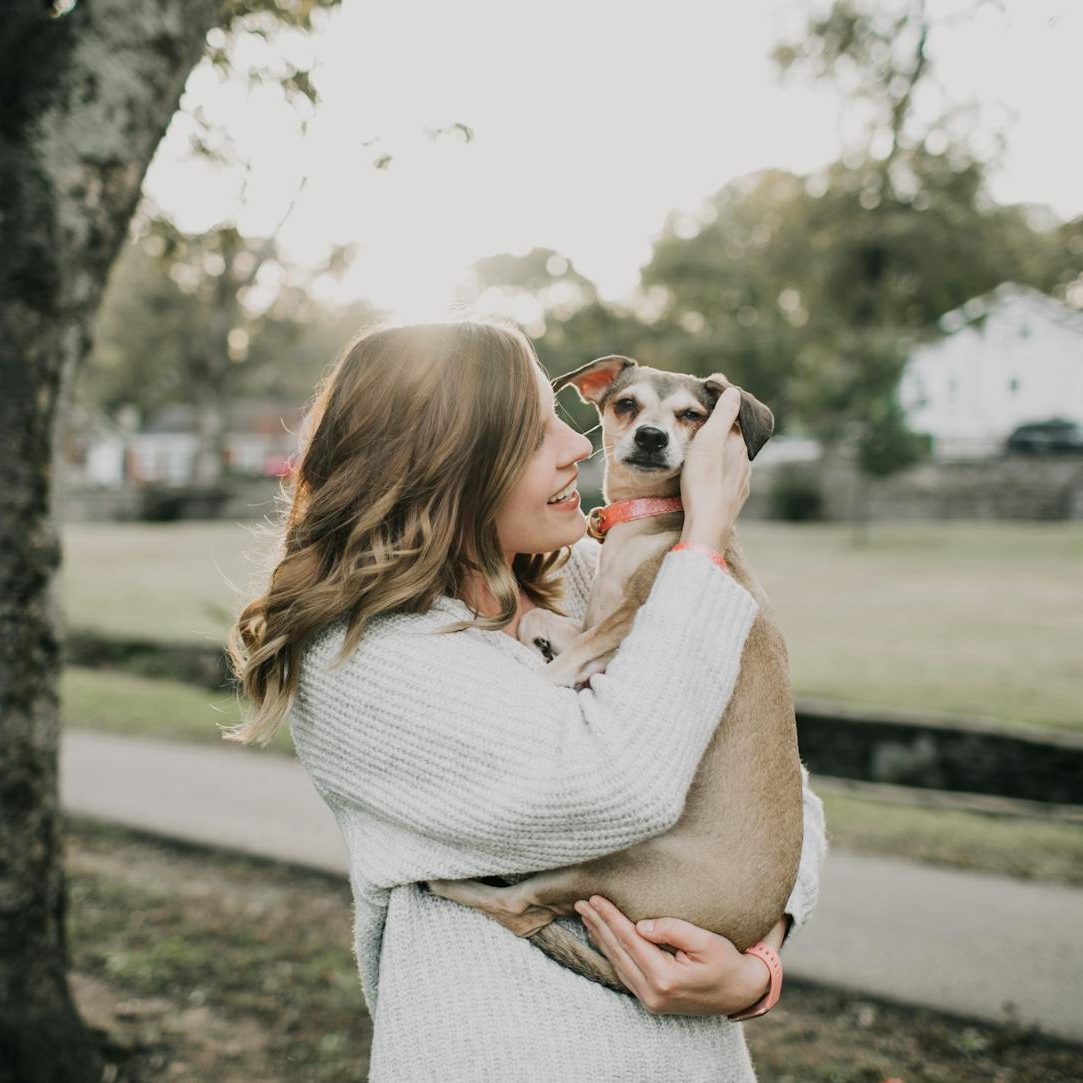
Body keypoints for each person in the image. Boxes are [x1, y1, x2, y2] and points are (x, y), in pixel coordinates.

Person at [225, 320, 827, 1082]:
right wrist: (703, 537)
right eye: (533, 429)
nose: (578, 443)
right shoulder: (361, 659)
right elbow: (620, 784)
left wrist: (756, 961)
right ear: (446, 464)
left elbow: (777, 786)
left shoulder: (583, 574)